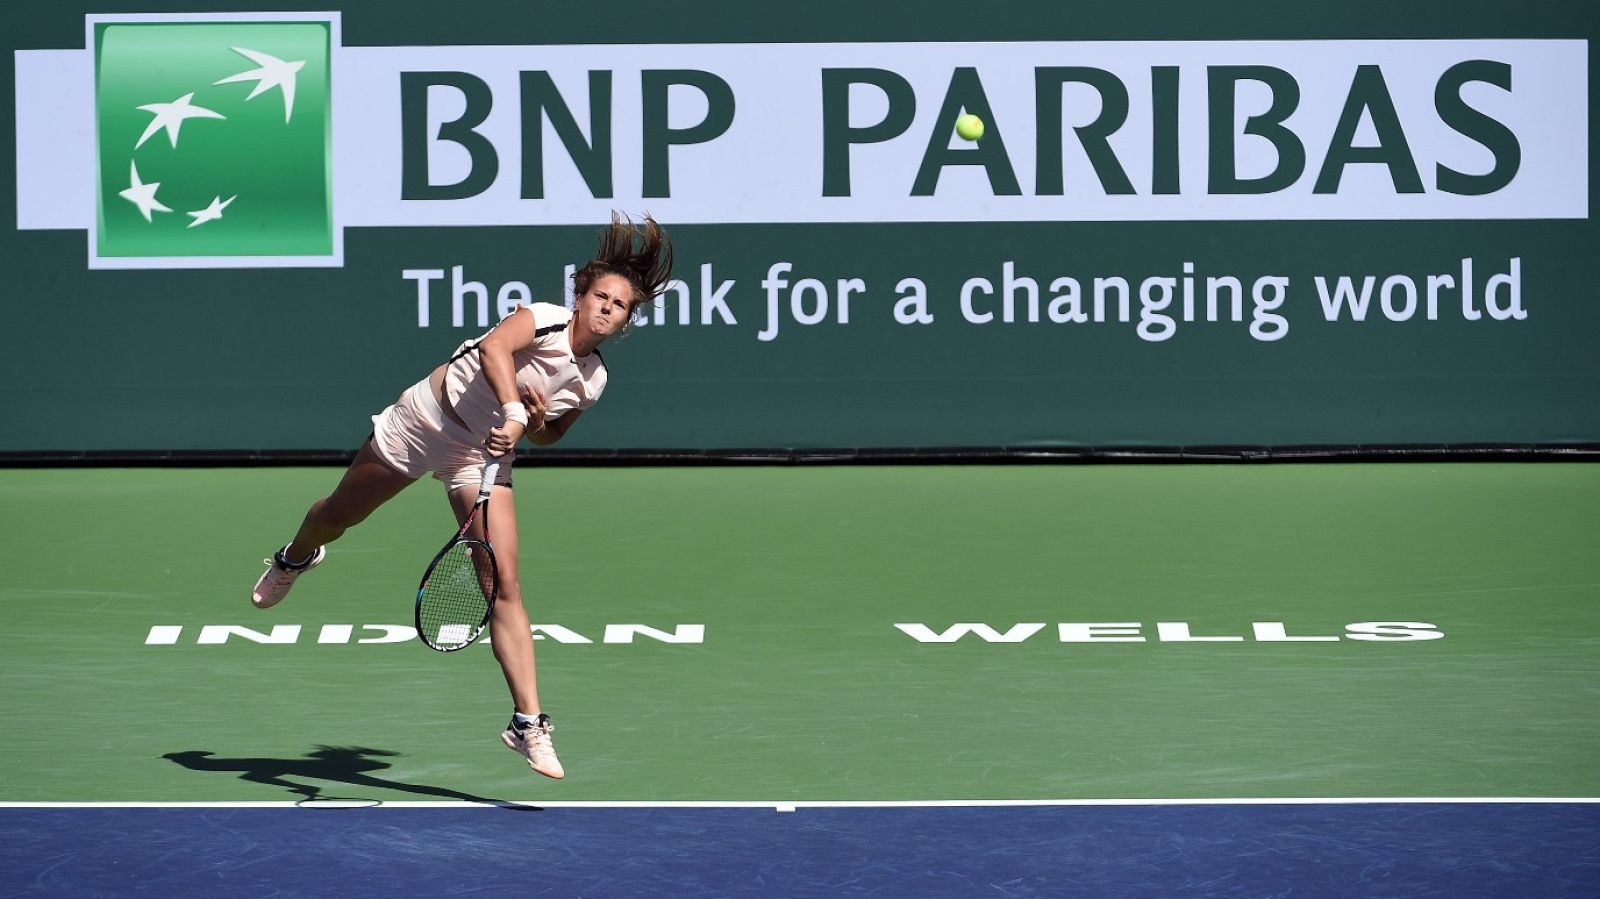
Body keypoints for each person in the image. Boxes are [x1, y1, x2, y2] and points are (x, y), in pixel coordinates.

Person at [250, 212, 673, 780]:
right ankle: (295, 556)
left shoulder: (591, 380)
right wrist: (515, 410)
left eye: (618, 306)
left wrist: (538, 421)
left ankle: (528, 723)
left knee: (501, 584)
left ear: (625, 321)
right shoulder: (542, 320)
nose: (606, 309)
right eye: (600, 296)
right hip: (423, 420)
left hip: (480, 458)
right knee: (338, 516)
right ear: (579, 295)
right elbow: (497, 349)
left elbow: (549, 435)